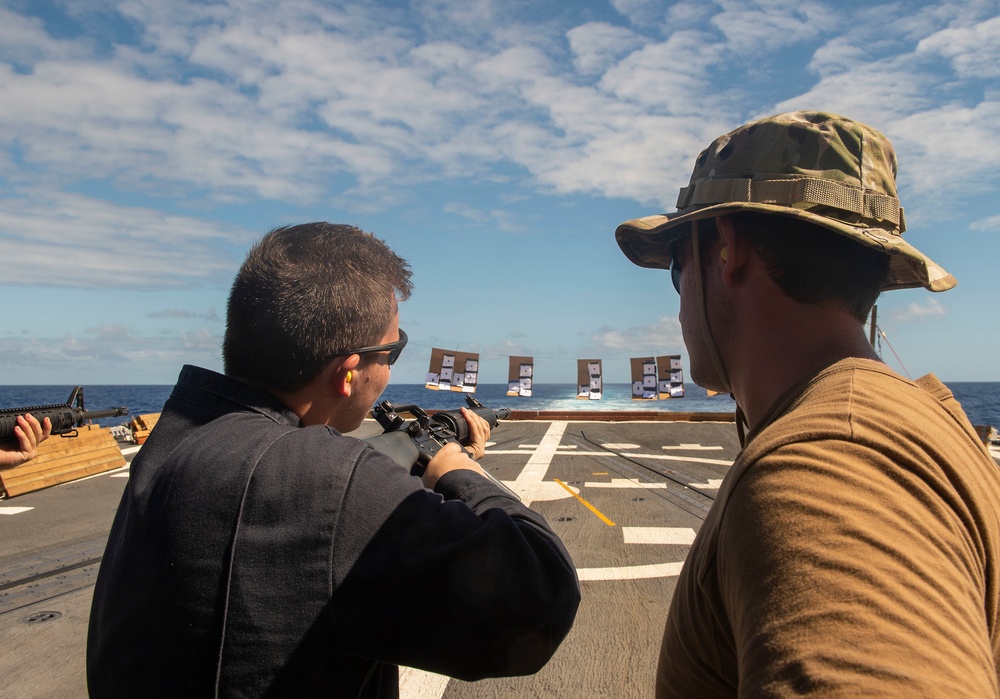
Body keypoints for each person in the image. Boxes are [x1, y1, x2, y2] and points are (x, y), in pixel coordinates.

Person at [87, 223, 580, 698]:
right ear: (348, 373)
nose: (389, 368)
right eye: (393, 349)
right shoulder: (327, 481)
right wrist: (459, 470)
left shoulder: (174, 440)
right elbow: (542, 596)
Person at [615, 111, 1000, 697]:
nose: (677, 295)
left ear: (728, 246)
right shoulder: (922, 418)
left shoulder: (828, 471)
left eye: (676, 262)